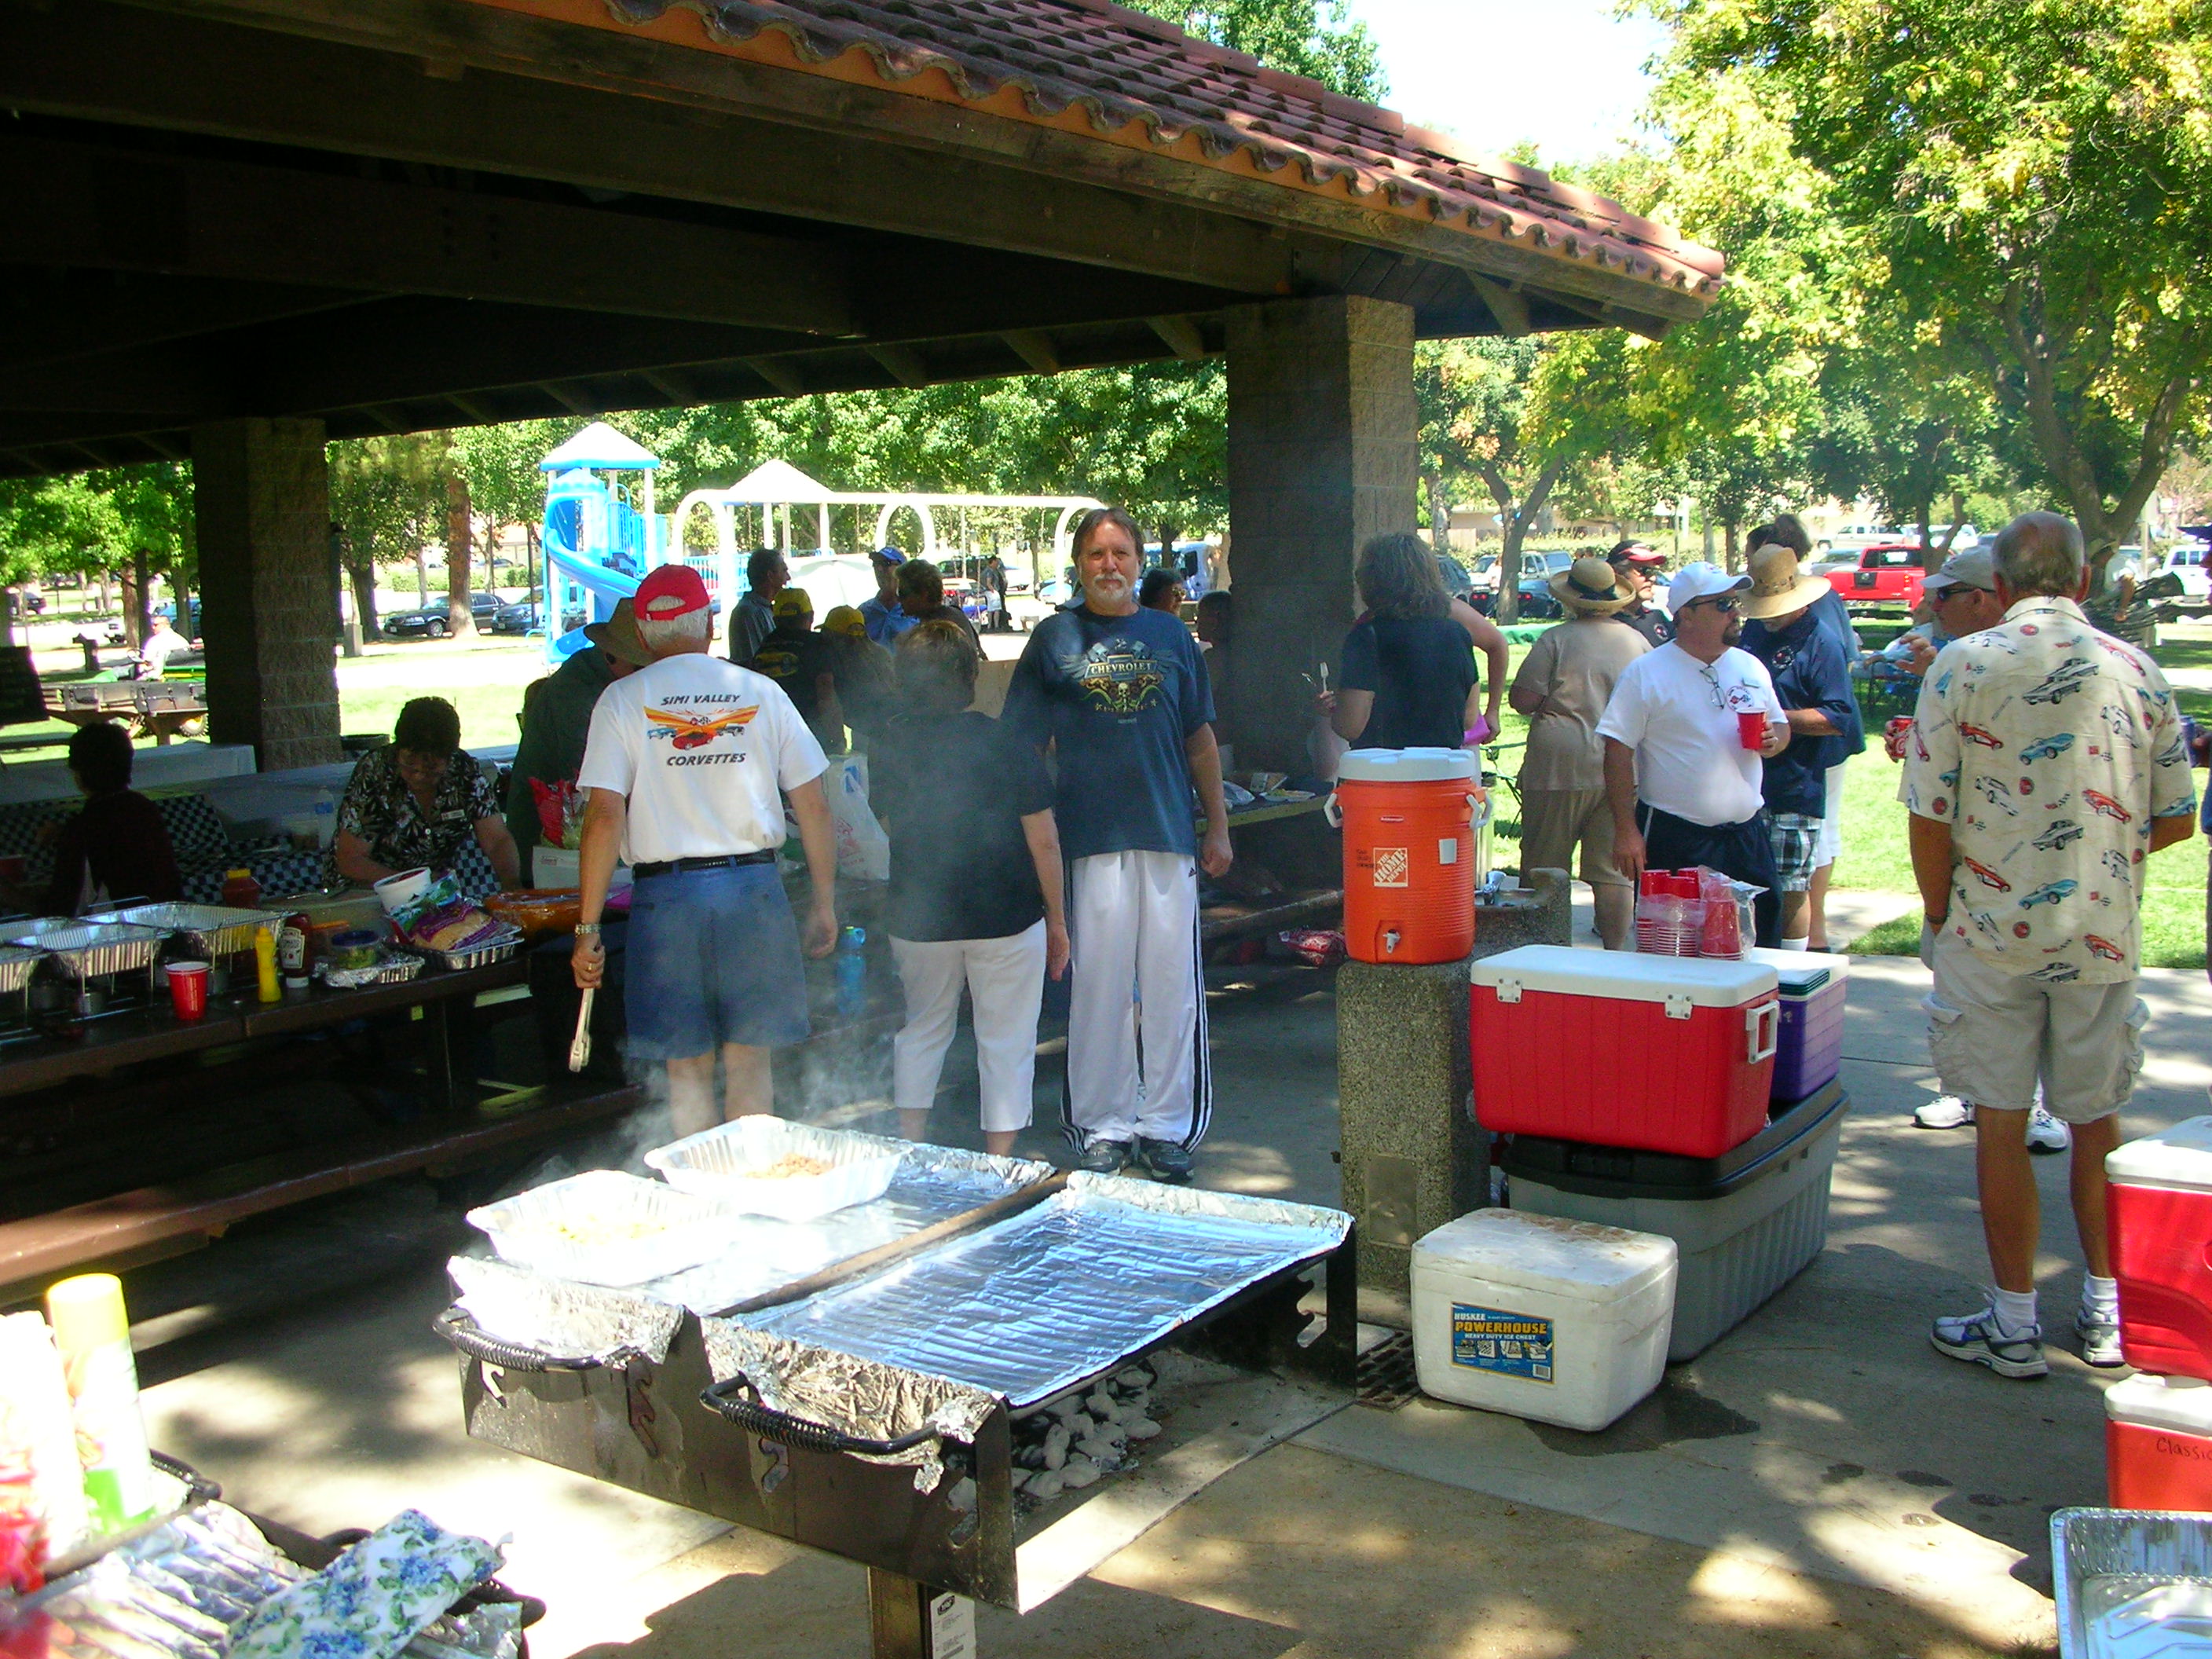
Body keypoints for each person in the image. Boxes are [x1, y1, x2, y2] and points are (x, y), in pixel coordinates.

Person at [1902, 512, 2196, 1378]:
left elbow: (1928, 812)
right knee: (2094, 1119)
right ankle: (2105, 1311)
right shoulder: (2134, 668)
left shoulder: (1960, 664)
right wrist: (2099, 857)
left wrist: (1939, 908)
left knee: (1998, 1124)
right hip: (2097, 934)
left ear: (1998, 583)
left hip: (1987, 937)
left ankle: (2013, 1319)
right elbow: (2174, 814)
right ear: (2079, 579)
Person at [1002, 504, 1230, 1182]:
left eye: (1121, 554)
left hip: (1167, 836)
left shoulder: (1171, 634)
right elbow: (1020, 749)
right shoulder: (1054, 639)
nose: (1110, 566)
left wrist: (1217, 824)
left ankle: (1165, 1127)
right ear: (1078, 564)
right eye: (1097, 555)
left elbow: (1200, 740)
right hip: (1089, 839)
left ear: (1137, 562)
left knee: (1171, 989)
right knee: (1098, 986)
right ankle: (1102, 1123)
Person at [571, 564, 840, 1133]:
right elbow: (814, 805)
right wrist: (824, 901)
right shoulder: (760, 692)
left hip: (667, 901)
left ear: (641, 634)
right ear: (711, 623)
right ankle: (749, 1193)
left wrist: (587, 927)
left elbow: (602, 817)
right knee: (749, 1058)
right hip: (753, 893)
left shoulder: (621, 700)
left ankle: (702, 1206)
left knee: (686, 1067)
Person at [873, 622, 1070, 1155]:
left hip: (920, 914)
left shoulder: (888, 741)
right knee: (1005, 1040)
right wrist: (1057, 919)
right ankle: (997, 1160)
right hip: (1007, 915)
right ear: (969, 675)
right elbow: (1044, 840)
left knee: (923, 1029)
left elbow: (889, 821)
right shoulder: (1004, 740)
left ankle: (912, 1147)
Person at [1598, 562, 1789, 947]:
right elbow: (1617, 750)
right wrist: (1626, 830)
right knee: (1674, 949)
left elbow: (1780, 726)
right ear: (1685, 613)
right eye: (1722, 604)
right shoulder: (1647, 673)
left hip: (1746, 833)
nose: (1735, 612)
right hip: (1676, 835)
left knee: (1761, 942)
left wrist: (1774, 739)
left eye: (1736, 602)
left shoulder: (1750, 665)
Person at [1508, 557, 1649, 949]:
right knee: (1612, 871)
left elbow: (1523, 699)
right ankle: (1615, 954)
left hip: (1559, 764)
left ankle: (1543, 950)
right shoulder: (1636, 641)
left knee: (1544, 865)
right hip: (1621, 763)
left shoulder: (1556, 639)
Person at [1751, 516, 1866, 950]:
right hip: (1749, 781)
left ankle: (1795, 968)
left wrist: (1780, 718)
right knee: (1752, 884)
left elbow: (1841, 717)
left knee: (1791, 885)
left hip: (1797, 781)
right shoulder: (1753, 632)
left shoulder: (1821, 643)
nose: (1769, 617)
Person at [504, 599, 650, 884]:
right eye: (638, 667)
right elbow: (594, 781)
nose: (645, 676)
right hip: (553, 845)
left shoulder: (614, 683)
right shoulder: (576, 694)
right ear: (611, 655)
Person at [334, 697, 520, 892]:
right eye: (410, 763)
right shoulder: (374, 772)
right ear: (398, 748)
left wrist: (512, 885)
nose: (419, 775)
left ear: (450, 758)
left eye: (432, 769)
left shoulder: (465, 773)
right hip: (370, 893)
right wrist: (416, 885)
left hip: (433, 893)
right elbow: (351, 859)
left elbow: (497, 840)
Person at [1326, 533, 1481, 751]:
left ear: (1373, 580)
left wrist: (1332, 711)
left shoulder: (1367, 636)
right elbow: (1468, 719)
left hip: (1385, 776)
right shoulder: (1458, 634)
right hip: (1445, 776)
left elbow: (1350, 727)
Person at [41, 721, 182, 914]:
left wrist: (9, 893)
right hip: (167, 922)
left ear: (78, 772)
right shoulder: (145, 809)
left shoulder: (83, 829)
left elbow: (59, 913)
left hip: (116, 935)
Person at [742, 588, 843, 753]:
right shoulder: (818, 644)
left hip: (770, 736)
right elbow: (826, 691)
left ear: (776, 619)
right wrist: (837, 738)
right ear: (811, 616)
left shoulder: (765, 647)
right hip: (809, 735)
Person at [819, 604, 894, 753]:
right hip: (892, 729)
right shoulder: (881, 654)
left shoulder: (839, 663)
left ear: (834, 636)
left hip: (867, 736)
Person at [895, 558, 980, 651]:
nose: (898, 599)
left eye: (902, 593)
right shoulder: (956, 615)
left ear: (923, 594)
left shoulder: (936, 630)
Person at [1609, 541, 1673, 647]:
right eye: (1643, 571)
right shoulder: (1603, 622)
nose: (1652, 578)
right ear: (1617, 574)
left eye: (1653, 572)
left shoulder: (1657, 617)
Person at [728, 548, 786, 662]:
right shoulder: (749, 613)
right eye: (784, 571)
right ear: (770, 576)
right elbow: (756, 663)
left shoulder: (764, 609)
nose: (787, 578)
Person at [861, 547, 918, 646]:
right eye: (876, 564)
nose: (879, 569)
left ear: (903, 569)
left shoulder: (916, 611)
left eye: (886, 563)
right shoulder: (864, 612)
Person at [135, 613, 192, 679]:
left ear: (163, 625)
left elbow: (147, 663)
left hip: (157, 677)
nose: (153, 627)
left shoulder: (154, 641)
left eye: (155, 625)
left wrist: (142, 668)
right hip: (184, 675)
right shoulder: (182, 640)